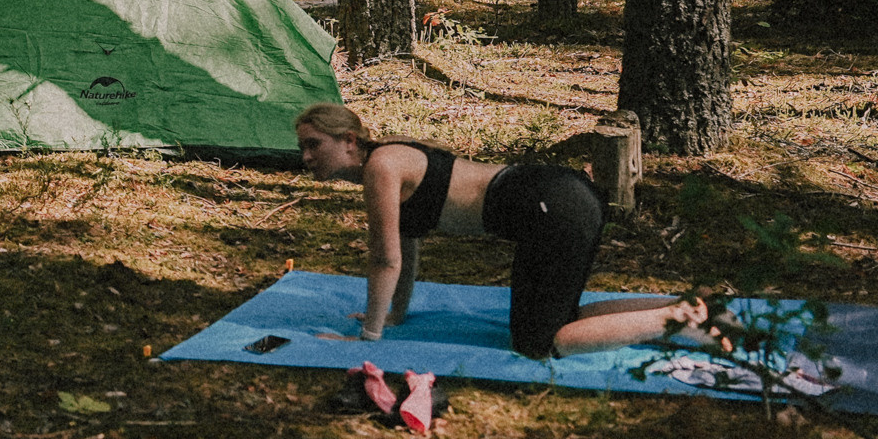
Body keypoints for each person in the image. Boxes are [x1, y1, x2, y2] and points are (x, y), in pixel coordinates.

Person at [292, 102, 719, 359]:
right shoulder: (389, 162)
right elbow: (404, 249)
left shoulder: (381, 166)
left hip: (551, 208)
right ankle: (699, 309)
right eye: (302, 148)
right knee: (558, 320)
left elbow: (385, 258)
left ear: (349, 140)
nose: (307, 157)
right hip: (557, 200)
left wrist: (367, 338)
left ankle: (677, 320)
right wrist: (393, 314)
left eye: (315, 144)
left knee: (539, 344)